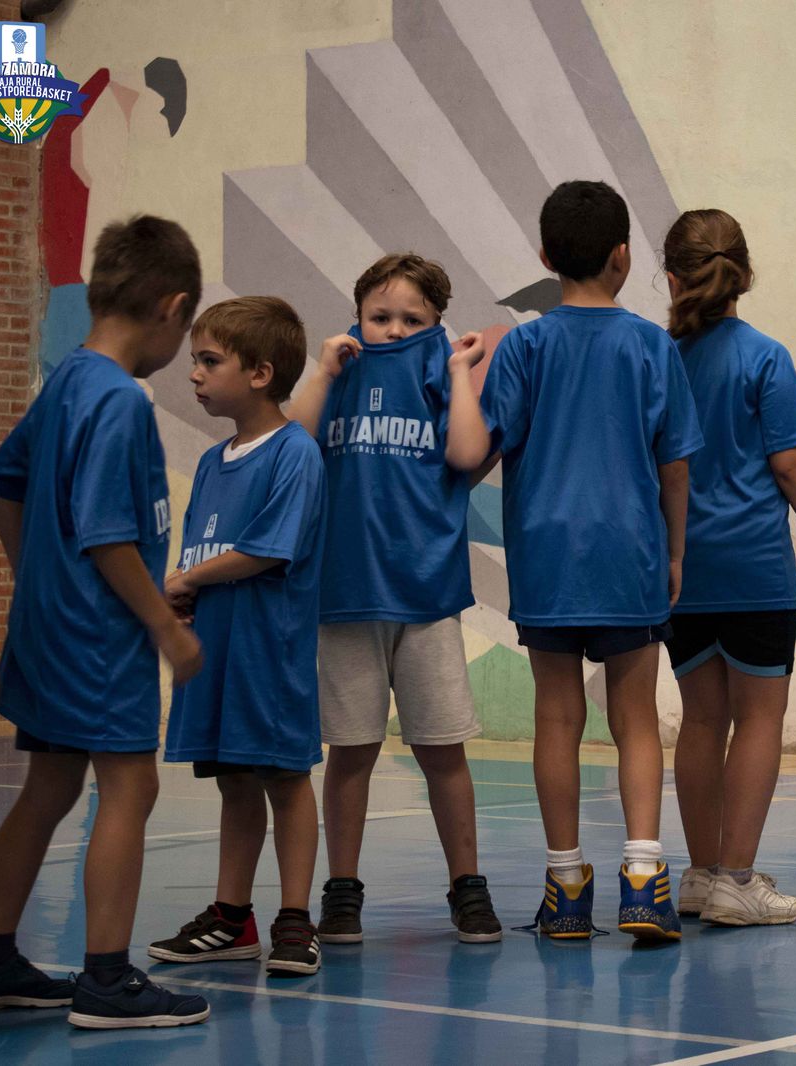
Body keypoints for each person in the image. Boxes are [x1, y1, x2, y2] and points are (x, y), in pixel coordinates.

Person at [0, 216, 212, 1028]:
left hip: (49, 626)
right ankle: (106, 979)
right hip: (99, 638)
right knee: (132, 782)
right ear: (172, 308)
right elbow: (106, 537)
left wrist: (37, 577)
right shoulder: (119, 400)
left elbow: (4, 480)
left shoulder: (66, 379)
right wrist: (163, 626)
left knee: (51, 783)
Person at [480, 180, 702, 940]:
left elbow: (484, 446)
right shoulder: (652, 345)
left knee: (556, 715)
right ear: (623, 256)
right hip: (629, 550)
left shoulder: (523, 346)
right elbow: (676, 464)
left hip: (545, 556)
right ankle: (643, 878)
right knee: (635, 718)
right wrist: (675, 550)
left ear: (545, 257)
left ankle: (566, 887)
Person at [286, 253, 502, 943]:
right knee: (351, 751)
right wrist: (323, 372)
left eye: (413, 318)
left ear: (437, 322)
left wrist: (460, 371)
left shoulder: (442, 367)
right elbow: (290, 444)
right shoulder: (340, 370)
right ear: (357, 315)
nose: (394, 329)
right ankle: (342, 892)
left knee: (442, 750)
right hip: (346, 594)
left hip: (425, 593)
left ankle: (467, 886)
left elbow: (467, 453)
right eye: (380, 316)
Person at [660, 209, 796, 925]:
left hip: (680, 570)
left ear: (671, 278)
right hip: (753, 570)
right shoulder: (764, 357)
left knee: (699, 720)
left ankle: (699, 875)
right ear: (745, 274)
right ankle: (737, 880)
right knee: (757, 720)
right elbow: (791, 467)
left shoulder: (659, 360)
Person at [146, 297, 328, 975]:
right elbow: (204, 547)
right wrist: (186, 597)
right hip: (218, 649)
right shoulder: (212, 461)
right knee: (234, 780)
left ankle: (295, 920)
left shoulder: (294, 453)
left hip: (267, 652)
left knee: (285, 777)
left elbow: (265, 550)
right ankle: (231, 918)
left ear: (259, 373)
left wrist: (185, 577)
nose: (194, 373)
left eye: (209, 360)